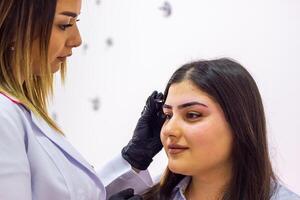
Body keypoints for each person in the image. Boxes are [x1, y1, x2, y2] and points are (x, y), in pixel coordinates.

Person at [0, 0, 164, 199]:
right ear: (13, 25)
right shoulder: (4, 116)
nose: (77, 39)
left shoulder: (19, 113)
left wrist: (133, 159)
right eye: (64, 25)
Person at [142, 58, 300, 200]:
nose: (169, 129)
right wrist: (132, 160)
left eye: (192, 115)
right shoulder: (146, 193)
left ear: (239, 123)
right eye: (168, 115)